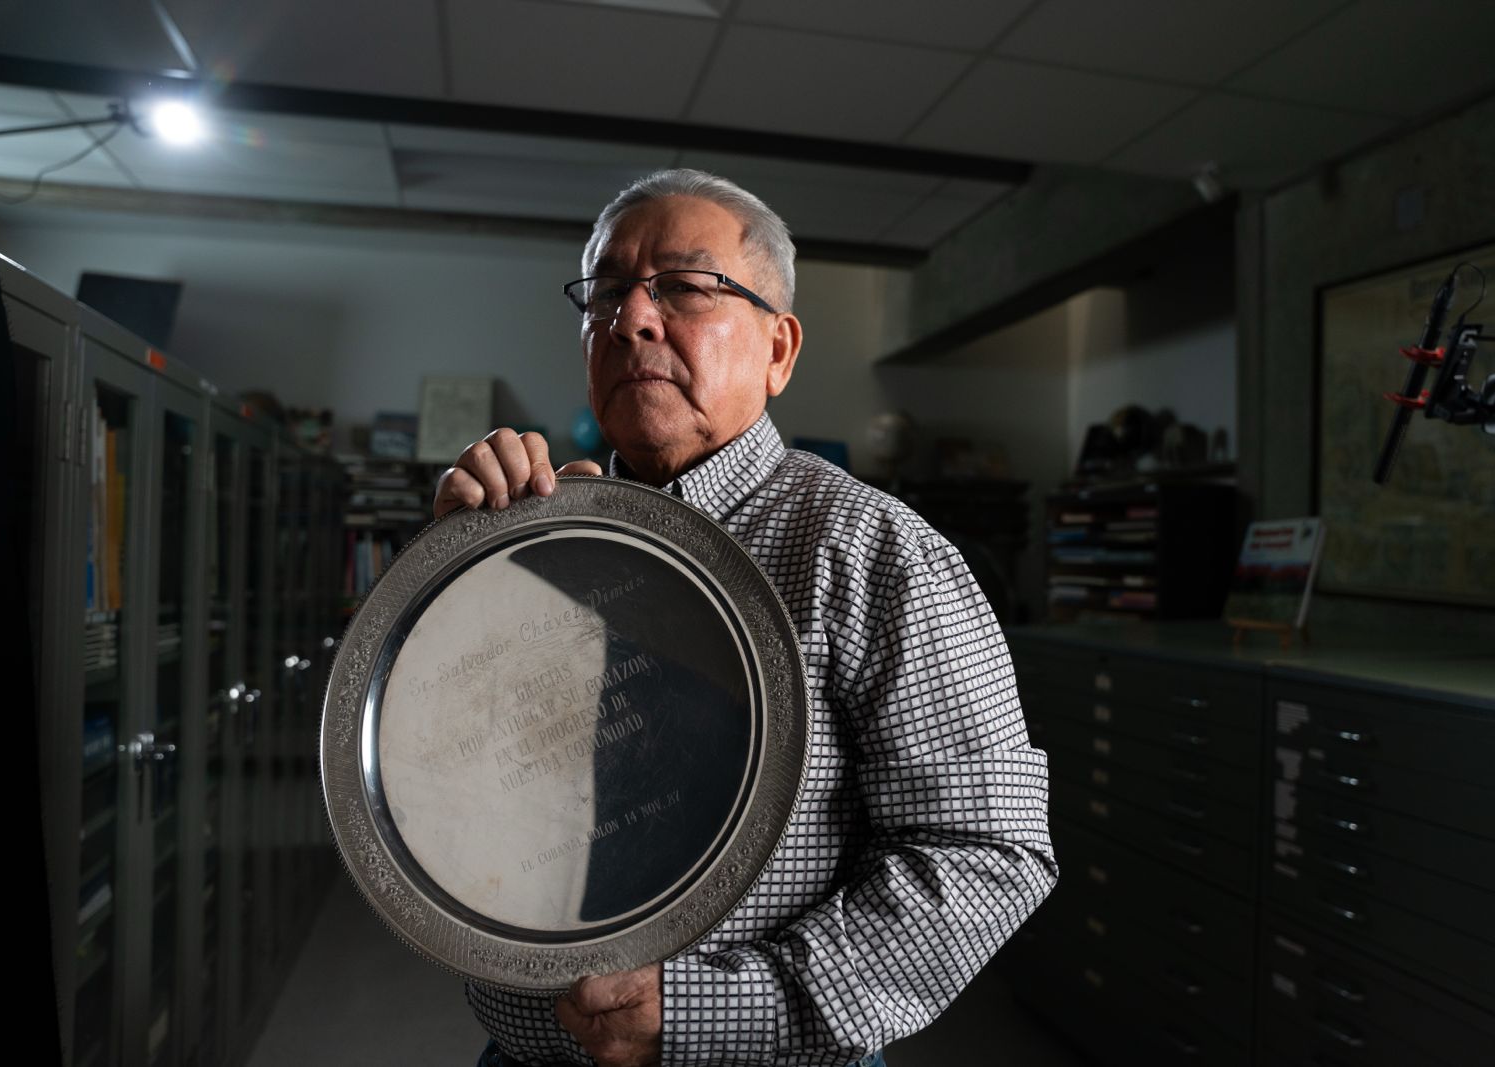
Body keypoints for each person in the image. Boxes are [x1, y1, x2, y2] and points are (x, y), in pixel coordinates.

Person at [435, 169, 1056, 1067]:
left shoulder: (872, 549)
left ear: (779, 348)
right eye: (608, 292)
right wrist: (446, 582)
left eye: (686, 287)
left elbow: (986, 852)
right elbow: (437, 787)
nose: (632, 319)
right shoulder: (530, 532)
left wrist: (701, 1010)